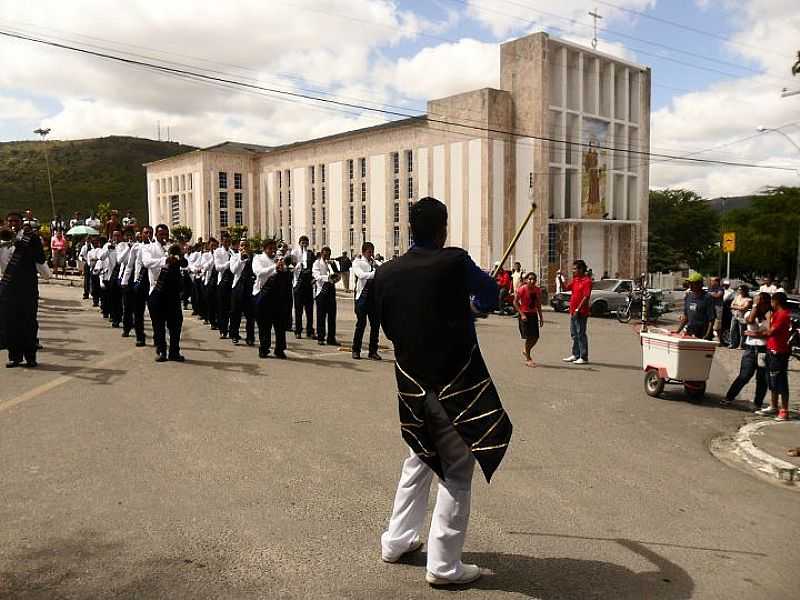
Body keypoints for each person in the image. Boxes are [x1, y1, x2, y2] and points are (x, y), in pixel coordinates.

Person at [374, 197, 511, 587]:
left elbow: (381, 318)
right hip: (454, 385)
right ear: (442, 229)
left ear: (410, 230)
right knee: (456, 470)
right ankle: (444, 565)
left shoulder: (386, 272)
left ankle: (396, 541)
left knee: (419, 459)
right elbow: (489, 295)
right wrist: (471, 307)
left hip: (412, 385)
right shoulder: (454, 260)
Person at [0, 212, 48, 367]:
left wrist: (21, 245)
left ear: (21, 222)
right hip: (8, 286)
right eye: (10, 221)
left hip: (27, 286)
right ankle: (15, 356)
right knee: (10, 321)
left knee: (28, 321)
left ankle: (30, 356)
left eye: (16, 221)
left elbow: (40, 258)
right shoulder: (2, 238)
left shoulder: (31, 238)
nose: (13, 224)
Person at [141, 224, 186, 362]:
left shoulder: (171, 248)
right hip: (157, 289)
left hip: (172, 291)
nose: (164, 237)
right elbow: (147, 262)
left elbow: (184, 264)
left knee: (176, 323)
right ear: (156, 235)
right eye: (161, 234)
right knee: (158, 323)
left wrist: (180, 254)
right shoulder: (148, 248)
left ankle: (174, 351)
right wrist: (165, 260)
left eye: (166, 234)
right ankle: (161, 351)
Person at [750, 292, 792, 421]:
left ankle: (784, 410)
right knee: (772, 380)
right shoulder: (775, 314)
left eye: (772, 301)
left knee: (780, 381)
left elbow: (771, 331)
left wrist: (755, 333)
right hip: (771, 349)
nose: (771, 304)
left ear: (776, 301)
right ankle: (773, 406)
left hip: (779, 352)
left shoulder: (783, 315)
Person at [723, 292, 770, 408]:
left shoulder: (770, 314)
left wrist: (755, 333)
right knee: (744, 376)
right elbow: (750, 320)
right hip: (750, 349)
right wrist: (754, 306)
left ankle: (757, 403)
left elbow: (769, 332)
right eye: (757, 301)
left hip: (764, 350)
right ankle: (729, 397)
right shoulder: (749, 312)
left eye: (760, 301)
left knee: (762, 379)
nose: (758, 303)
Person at [253, 238, 287, 359]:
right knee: (264, 324)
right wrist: (274, 267)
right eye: (270, 248)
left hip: (277, 294)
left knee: (280, 325)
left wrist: (282, 267)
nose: (272, 251)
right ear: (264, 248)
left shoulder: (277, 258)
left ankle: (280, 349)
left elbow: (284, 272)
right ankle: (264, 348)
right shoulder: (258, 258)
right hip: (264, 293)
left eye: (274, 248)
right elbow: (259, 272)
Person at [351, 241, 381, 360]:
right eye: (369, 252)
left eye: (372, 251)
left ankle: (373, 351)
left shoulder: (374, 263)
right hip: (362, 297)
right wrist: (376, 273)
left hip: (374, 298)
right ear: (364, 252)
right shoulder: (357, 262)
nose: (371, 254)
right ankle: (356, 350)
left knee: (375, 326)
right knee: (361, 325)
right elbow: (361, 275)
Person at [562, 259, 592, 365]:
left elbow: (586, 297)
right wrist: (560, 279)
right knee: (574, 334)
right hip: (573, 311)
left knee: (581, 333)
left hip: (581, 312)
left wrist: (578, 309)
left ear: (581, 269)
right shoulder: (576, 280)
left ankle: (583, 356)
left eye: (575, 269)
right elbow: (565, 288)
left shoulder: (587, 281)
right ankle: (575, 354)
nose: (573, 271)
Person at [128, 225, 153, 347]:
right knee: (138, 311)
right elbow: (130, 265)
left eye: (150, 233)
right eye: (145, 232)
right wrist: (125, 281)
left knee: (154, 311)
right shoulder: (136, 247)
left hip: (152, 282)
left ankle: (158, 337)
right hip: (139, 281)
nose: (148, 235)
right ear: (141, 234)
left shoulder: (155, 247)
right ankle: (140, 336)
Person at [514, 272, 544, 367]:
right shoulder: (522, 289)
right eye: (530, 279)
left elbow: (538, 304)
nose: (532, 281)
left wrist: (541, 317)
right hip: (525, 314)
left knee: (535, 337)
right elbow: (515, 302)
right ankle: (528, 358)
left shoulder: (537, 290)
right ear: (527, 280)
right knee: (528, 336)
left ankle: (526, 351)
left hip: (533, 314)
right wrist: (522, 314)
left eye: (534, 279)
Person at [229, 239, 256, 345]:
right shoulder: (234, 257)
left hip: (249, 287)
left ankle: (250, 337)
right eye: (242, 245)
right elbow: (234, 270)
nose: (244, 247)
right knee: (235, 313)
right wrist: (241, 259)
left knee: (250, 315)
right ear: (239, 247)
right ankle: (234, 335)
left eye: (246, 246)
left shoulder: (253, 258)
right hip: (238, 287)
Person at [312, 246, 340, 346]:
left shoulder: (331, 264)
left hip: (331, 291)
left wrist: (334, 270)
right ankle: (320, 337)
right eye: (325, 254)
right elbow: (317, 276)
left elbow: (337, 275)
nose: (327, 256)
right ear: (321, 254)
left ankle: (331, 338)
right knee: (321, 316)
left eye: (328, 254)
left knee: (332, 316)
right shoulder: (317, 263)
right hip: (322, 291)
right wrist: (328, 278)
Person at [675, 273, 715, 339]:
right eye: (689, 283)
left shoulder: (707, 298)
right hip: (690, 332)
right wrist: (678, 331)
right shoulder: (688, 297)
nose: (690, 286)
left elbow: (711, 319)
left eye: (692, 283)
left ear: (699, 284)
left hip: (703, 333)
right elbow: (686, 317)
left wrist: (707, 335)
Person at [290, 235, 315, 339]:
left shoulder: (310, 253)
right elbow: (291, 266)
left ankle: (310, 330)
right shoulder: (294, 253)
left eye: (306, 242)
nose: (304, 244)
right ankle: (298, 330)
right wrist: (298, 265)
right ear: (299, 242)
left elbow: (313, 266)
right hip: (298, 283)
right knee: (298, 309)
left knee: (309, 309)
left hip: (308, 283)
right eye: (302, 242)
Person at [98, 229, 123, 328]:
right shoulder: (107, 246)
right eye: (114, 235)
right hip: (112, 274)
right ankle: (114, 317)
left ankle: (123, 316)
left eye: (118, 235)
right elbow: (101, 257)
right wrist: (109, 249)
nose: (116, 238)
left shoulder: (124, 246)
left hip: (123, 274)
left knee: (122, 298)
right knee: (113, 297)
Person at [116, 228, 136, 338]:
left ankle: (137, 328)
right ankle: (126, 327)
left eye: (131, 235)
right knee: (127, 304)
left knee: (137, 304)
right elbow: (120, 260)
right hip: (126, 276)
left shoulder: (137, 245)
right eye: (127, 235)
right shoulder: (121, 246)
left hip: (136, 274)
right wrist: (128, 248)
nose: (129, 237)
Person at [728, 284, 752, 350]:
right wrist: (738, 307)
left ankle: (741, 345)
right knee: (732, 330)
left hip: (742, 317)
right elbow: (731, 305)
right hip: (734, 315)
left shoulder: (748, 299)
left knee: (741, 331)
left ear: (745, 290)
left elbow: (744, 308)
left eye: (740, 289)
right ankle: (732, 343)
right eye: (739, 289)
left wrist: (736, 306)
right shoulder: (737, 297)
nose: (739, 291)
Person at [707, 276, 724, 343]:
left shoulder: (720, 288)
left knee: (717, 324)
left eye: (712, 281)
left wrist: (711, 294)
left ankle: (719, 340)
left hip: (718, 307)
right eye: (711, 281)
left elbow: (717, 295)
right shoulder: (710, 288)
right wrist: (712, 293)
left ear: (717, 282)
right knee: (710, 322)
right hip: (711, 307)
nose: (711, 282)